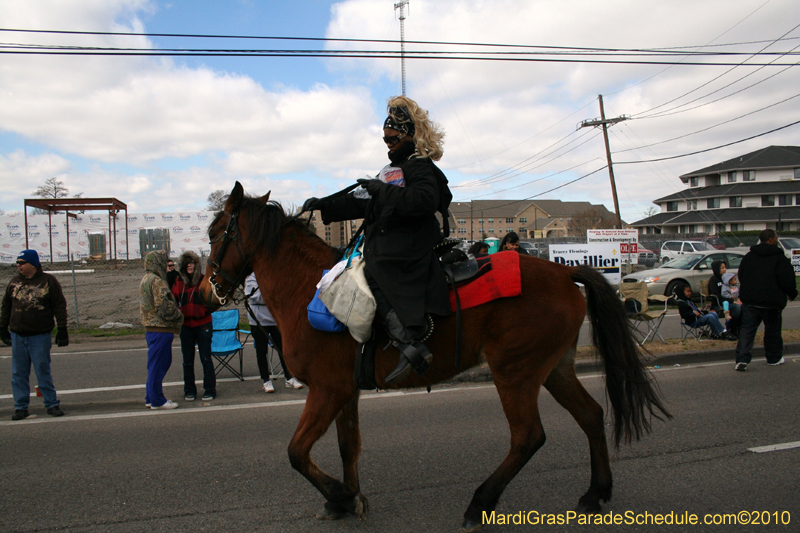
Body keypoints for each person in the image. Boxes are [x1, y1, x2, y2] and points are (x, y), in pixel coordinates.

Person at [302, 96, 453, 385]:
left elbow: (425, 200)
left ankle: (409, 344)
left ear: (409, 134)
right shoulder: (390, 171)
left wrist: (382, 192)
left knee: (371, 271)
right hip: (394, 242)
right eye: (385, 138)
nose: (388, 142)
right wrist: (324, 205)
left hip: (413, 245)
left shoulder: (418, 166)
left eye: (393, 136)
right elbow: (360, 202)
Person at [0, 249, 68, 420]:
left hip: (40, 336)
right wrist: (2, 328)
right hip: (18, 335)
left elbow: (59, 305)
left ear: (33, 264)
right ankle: (21, 406)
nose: (18, 266)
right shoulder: (14, 283)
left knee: (42, 370)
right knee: (19, 373)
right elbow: (6, 306)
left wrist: (62, 328)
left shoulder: (48, 281)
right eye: (17, 263)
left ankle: (51, 404)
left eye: (22, 263)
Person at [734, 229, 798, 371]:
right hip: (772, 301)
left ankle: (742, 358)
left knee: (747, 330)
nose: (777, 240)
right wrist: (791, 293)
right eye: (776, 237)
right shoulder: (779, 258)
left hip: (751, 300)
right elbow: (787, 279)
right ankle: (774, 357)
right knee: (772, 331)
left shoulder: (749, 256)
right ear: (770, 239)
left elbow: (742, 275)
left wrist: (746, 292)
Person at [244, 273, 304, 392]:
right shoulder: (251, 277)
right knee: (262, 351)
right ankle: (266, 380)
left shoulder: (272, 271)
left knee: (283, 349)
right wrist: (274, 291)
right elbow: (257, 297)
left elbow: (285, 294)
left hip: (275, 318)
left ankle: (289, 377)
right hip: (258, 320)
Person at [140, 250, 184, 409]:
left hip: (151, 328)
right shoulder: (157, 281)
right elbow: (164, 305)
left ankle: (150, 397)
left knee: (154, 364)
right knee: (160, 365)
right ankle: (158, 400)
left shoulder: (146, 279)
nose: (167, 266)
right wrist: (178, 315)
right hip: (161, 329)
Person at [172, 251, 216, 401]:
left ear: (197, 266)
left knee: (206, 358)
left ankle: (210, 389)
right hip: (185, 326)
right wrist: (178, 314)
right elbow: (173, 301)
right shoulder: (178, 282)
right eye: (187, 263)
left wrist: (203, 311)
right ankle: (189, 390)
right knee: (187, 360)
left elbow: (213, 301)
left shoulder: (204, 281)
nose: (189, 266)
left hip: (203, 324)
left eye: (192, 263)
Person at [707, 261, 741, 334]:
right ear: (717, 269)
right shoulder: (713, 280)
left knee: (743, 307)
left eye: (725, 267)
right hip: (719, 304)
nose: (725, 269)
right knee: (736, 307)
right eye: (722, 268)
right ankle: (732, 330)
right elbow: (716, 295)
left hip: (731, 301)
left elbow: (734, 289)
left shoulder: (726, 278)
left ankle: (740, 329)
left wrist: (738, 298)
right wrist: (731, 301)